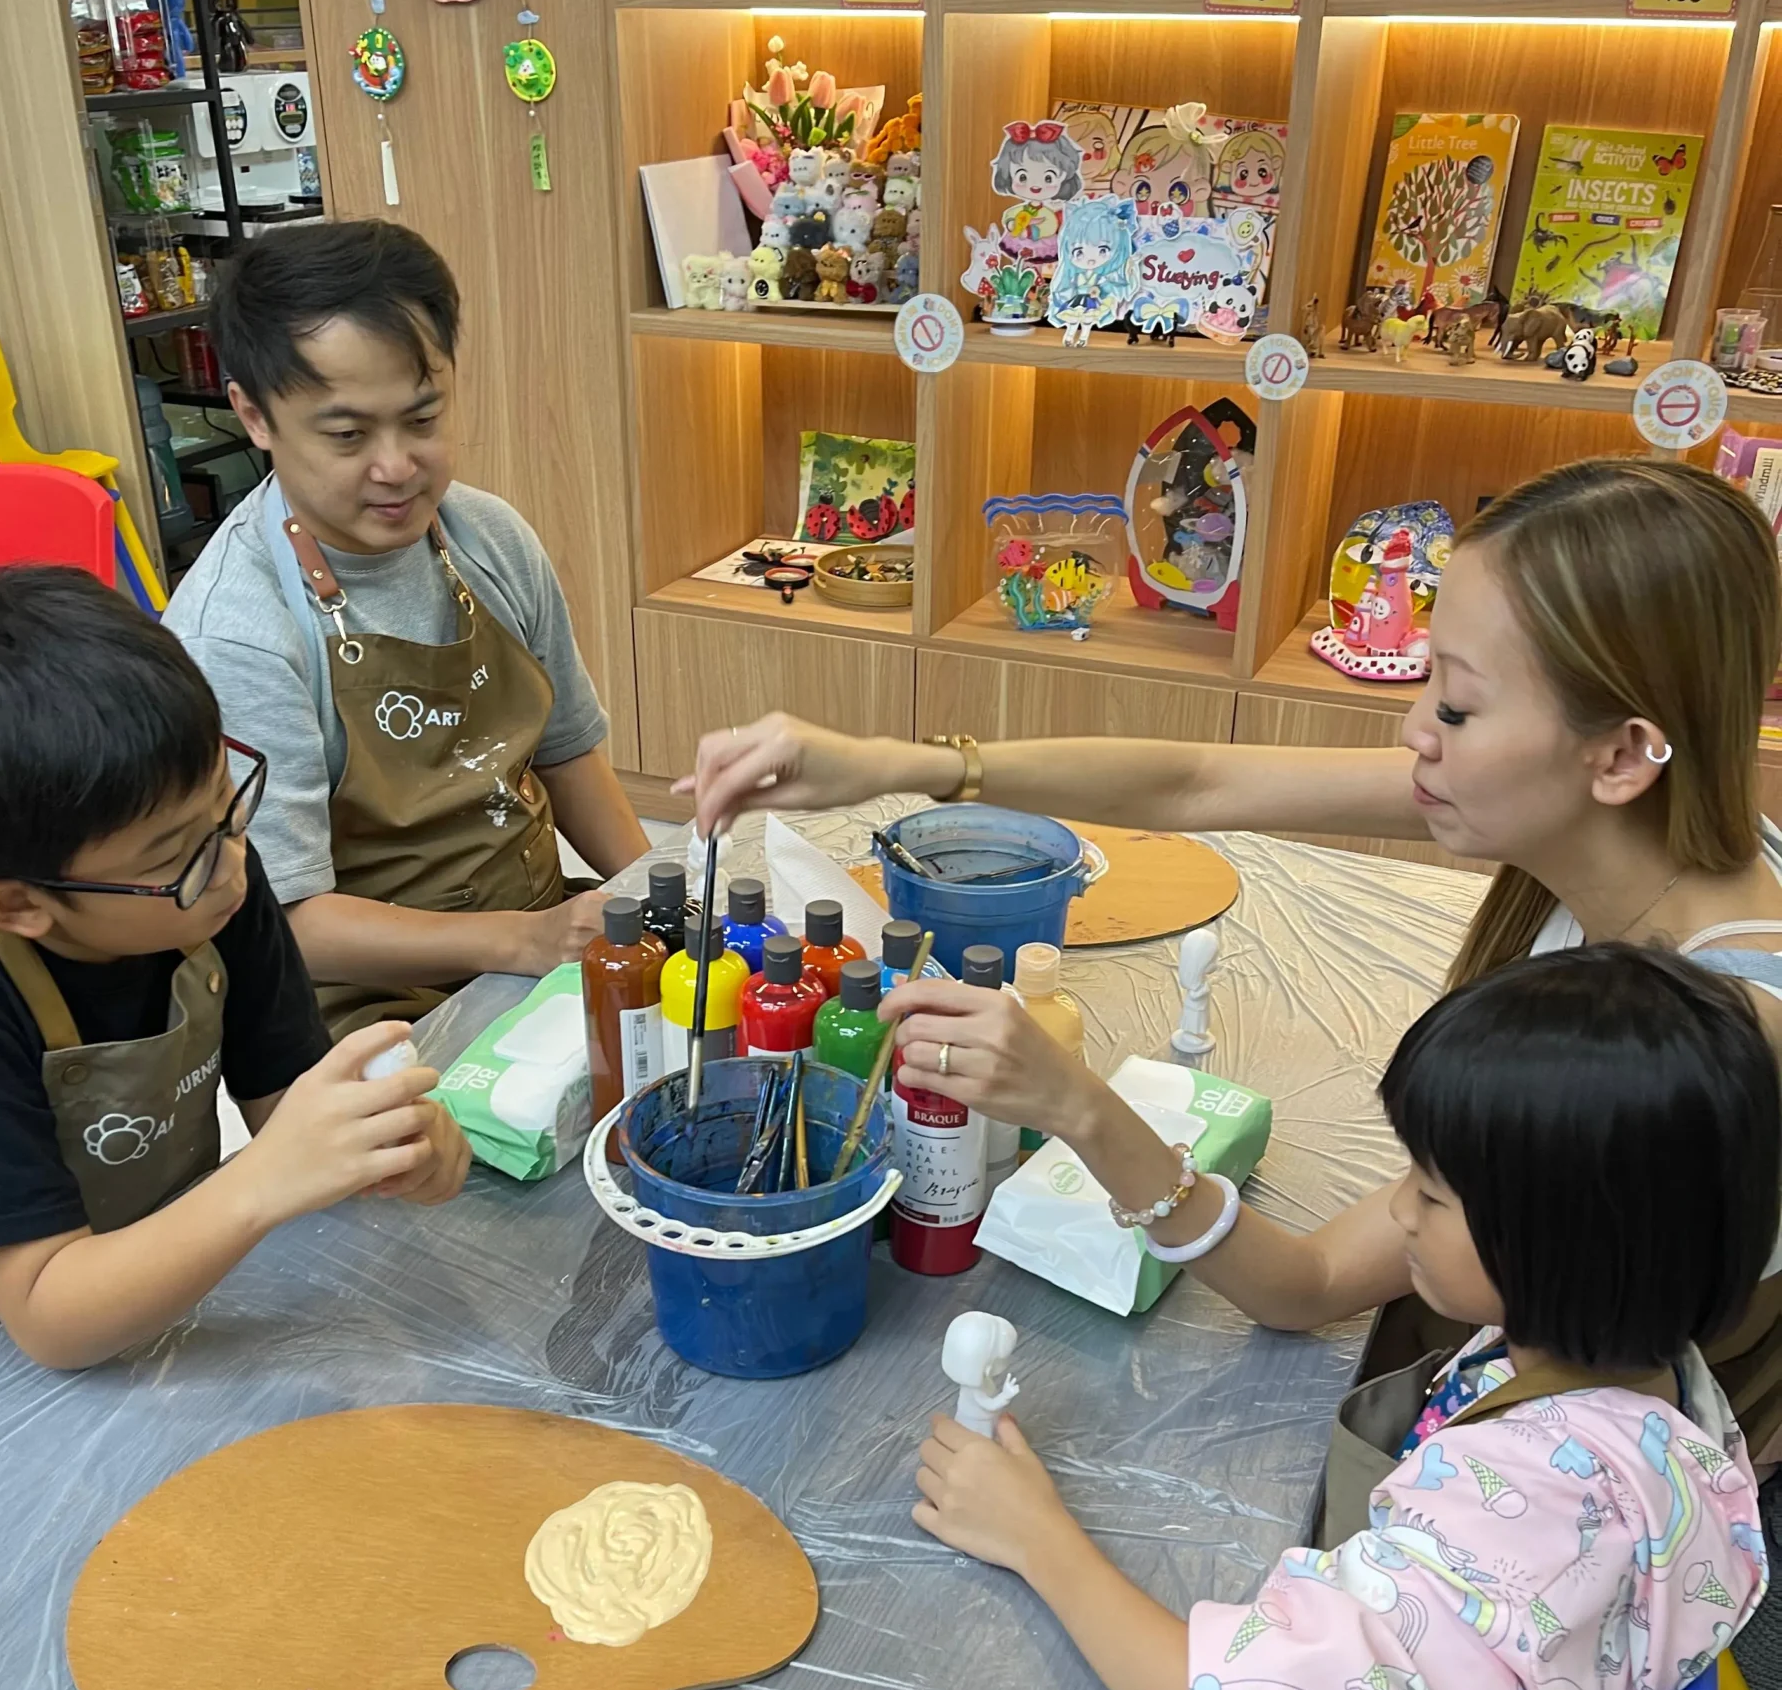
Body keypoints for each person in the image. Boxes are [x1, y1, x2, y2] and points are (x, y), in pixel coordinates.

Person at [688, 459, 1782, 1441]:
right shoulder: (1631, 825)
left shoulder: (1699, 1048)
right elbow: (1198, 784)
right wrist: (891, 762)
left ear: (1625, 752)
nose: (1414, 732)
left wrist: (1081, 1109)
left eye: (1455, 703)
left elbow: (1302, 1285)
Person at [909, 947, 1771, 1690]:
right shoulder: (1655, 1380)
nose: (1397, 1206)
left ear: (1564, 1234)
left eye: (1432, 1190)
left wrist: (1038, 1534)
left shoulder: (1518, 1515)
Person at [0, 569, 470, 1413]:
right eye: (171, 857)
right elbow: (49, 1314)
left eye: (226, 805)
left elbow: (282, 1103)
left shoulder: (211, 870)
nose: (229, 867)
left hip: (166, 1278)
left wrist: (384, 1149)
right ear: (19, 906)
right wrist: (264, 1181)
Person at [165, 219, 648, 1037]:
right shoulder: (235, 632)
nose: (396, 466)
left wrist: (660, 892)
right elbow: (285, 919)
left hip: (531, 946)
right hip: (365, 1009)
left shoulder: (486, 537)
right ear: (253, 415)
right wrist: (520, 941)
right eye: (348, 435)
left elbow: (567, 753)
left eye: (422, 420)